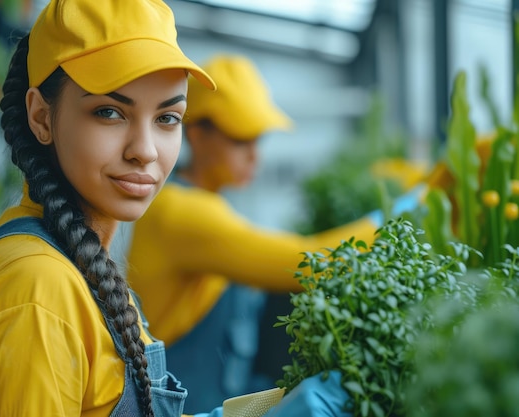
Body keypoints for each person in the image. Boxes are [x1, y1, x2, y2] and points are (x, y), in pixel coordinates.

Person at [0, 1, 355, 416]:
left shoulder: (79, 268)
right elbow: (304, 262)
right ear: (41, 118)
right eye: (109, 112)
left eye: (167, 118)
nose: (145, 150)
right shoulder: (35, 292)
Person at [123, 54, 423, 414]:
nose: (254, 156)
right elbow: (309, 262)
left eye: (258, 141)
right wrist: (409, 212)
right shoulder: (180, 212)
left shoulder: (205, 203)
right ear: (197, 133)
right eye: (240, 140)